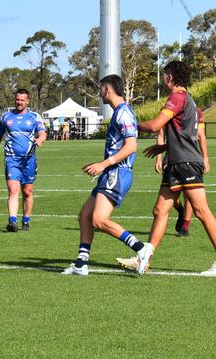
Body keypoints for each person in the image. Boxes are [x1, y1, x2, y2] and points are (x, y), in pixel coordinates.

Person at [116, 61, 216, 276]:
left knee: (202, 211)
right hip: (177, 161)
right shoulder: (188, 99)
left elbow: (154, 125)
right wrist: (163, 146)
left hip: (185, 162)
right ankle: (144, 258)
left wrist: (129, 121)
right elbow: (185, 134)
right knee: (160, 210)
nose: (163, 78)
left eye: (165, 75)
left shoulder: (177, 97)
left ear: (170, 76)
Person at [61, 75, 153, 276]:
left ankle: (141, 248)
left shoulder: (123, 113)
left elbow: (131, 146)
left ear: (108, 90)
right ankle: (81, 263)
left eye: (101, 88)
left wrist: (103, 164)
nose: (99, 92)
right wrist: (101, 165)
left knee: (99, 220)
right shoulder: (119, 112)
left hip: (118, 172)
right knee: (85, 215)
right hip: (111, 172)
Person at [0, 89, 46, 232]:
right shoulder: (6, 117)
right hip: (11, 159)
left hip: (29, 160)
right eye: (17, 99)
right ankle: (12, 221)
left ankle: (26, 220)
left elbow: (42, 132)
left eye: (22, 100)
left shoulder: (34, 117)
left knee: (27, 191)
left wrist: (40, 140)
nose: (19, 102)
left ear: (27, 101)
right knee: (13, 190)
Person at [152, 107, 209, 237]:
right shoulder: (167, 110)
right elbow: (161, 135)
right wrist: (158, 159)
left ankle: (185, 226)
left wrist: (205, 158)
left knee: (189, 193)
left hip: (190, 158)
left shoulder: (195, 111)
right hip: (171, 156)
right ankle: (180, 210)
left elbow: (201, 135)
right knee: (171, 192)